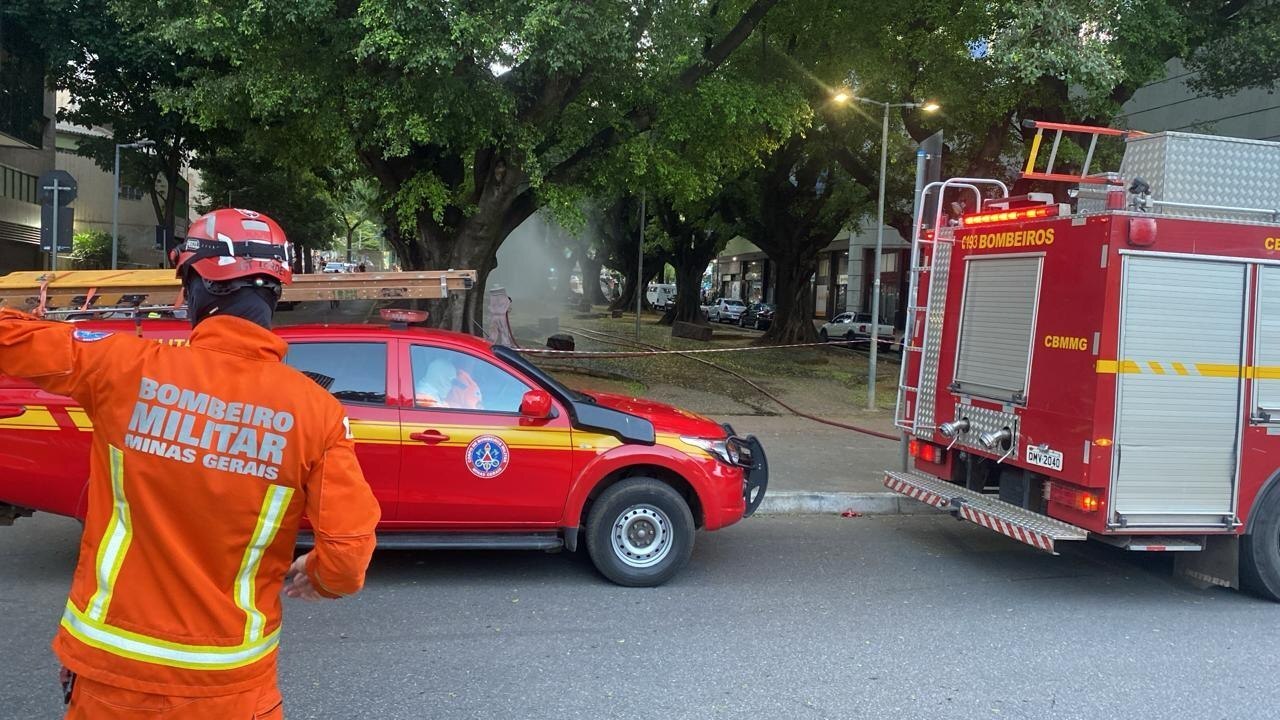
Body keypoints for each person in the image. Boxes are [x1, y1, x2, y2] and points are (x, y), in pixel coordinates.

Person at [0, 208, 381, 719]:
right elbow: (347, 560)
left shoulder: (123, 366)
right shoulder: (318, 413)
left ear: (200, 285)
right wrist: (320, 575)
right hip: (231, 681)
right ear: (275, 292)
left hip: (114, 665)